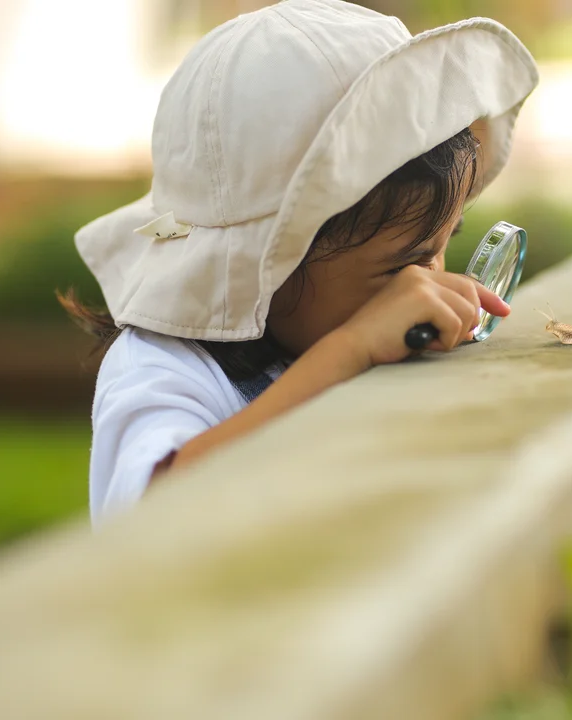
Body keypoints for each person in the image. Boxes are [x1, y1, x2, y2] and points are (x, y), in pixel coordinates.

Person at [62, 0, 539, 524]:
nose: (422, 287)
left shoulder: (322, 329)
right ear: (266, 270)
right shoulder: (163, 368)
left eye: (439, 249)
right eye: (401, 266)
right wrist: (348, 351)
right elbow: (157, 507)